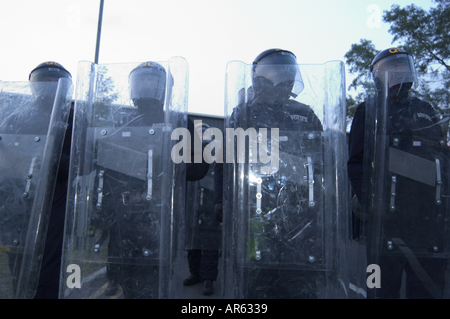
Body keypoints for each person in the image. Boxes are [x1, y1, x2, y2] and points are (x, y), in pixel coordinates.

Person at [89, 61, 209, 299]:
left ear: (164, 88)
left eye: (152, 80)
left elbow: (198, 168)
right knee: (125, 275)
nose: (146, 85)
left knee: (154, 281)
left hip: (159, 216)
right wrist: (98, 204)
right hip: (123, 216)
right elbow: (104, 166)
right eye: (141, 80)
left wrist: (178, 162)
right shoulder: (122, 121)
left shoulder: (178, 122)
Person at [216, 49, 325, 298]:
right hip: (253, 215)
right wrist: (220, 199)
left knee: (299, 286)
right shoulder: (243, 113)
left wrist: (320, 199)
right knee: (253, 286)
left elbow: (323, 161)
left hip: (300, 217)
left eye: (287, 71)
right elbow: (224, 161)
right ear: (258, 77)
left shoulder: (305, 113)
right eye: (274, 71)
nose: (282, 76)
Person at [348, 48, 449, 299]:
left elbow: (441, 156)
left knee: (427, 288)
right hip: (384, 220)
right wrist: (369, 201)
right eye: (391, 67)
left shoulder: (425, 109)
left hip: (426, 218)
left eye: (402, 66)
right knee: (381, 289)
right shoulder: (368, 109)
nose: (399, 71)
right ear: (378, 76)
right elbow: (357, 162)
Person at [0, 61, 72, 298]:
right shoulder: (16, 117)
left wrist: (49, 157)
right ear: (33, 86)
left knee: (49, 263)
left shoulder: (71, 118)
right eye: (44, 83)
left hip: (55, 199)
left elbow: (79, 162)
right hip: (17, 200)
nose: (49, 89)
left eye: (55, 83)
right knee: (17, 260)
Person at [184, 122, 221, 296]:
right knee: (192, 241)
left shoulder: (217, 152)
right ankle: (195, 274)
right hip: (192, 203)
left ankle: (208, 279)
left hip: (210, 203)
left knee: (210, 242)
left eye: (205, 133)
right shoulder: (189, 152)